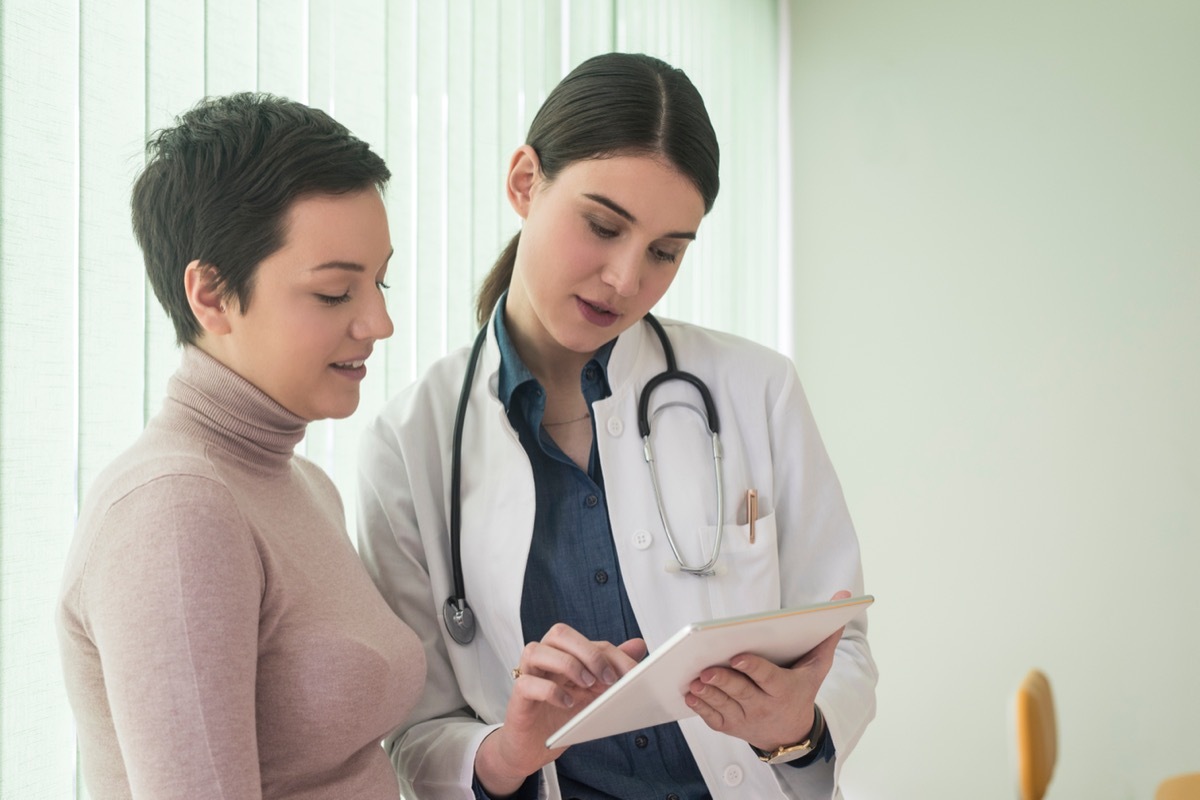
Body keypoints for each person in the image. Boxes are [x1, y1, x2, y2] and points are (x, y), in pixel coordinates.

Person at [357, 52, 876, 800]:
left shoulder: (756, 388)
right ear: (525, 182)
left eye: (666, 252)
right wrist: (509, 749)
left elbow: (841, 642)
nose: (627, 279)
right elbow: (417, 731)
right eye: (603, 226)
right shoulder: (412, 443)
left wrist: (794, 727)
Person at [56, 93, 425, 799]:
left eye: (378, 281)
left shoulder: (303, 483)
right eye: (333, 294)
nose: (379, 322)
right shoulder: (175, 510)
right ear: (213, 295)